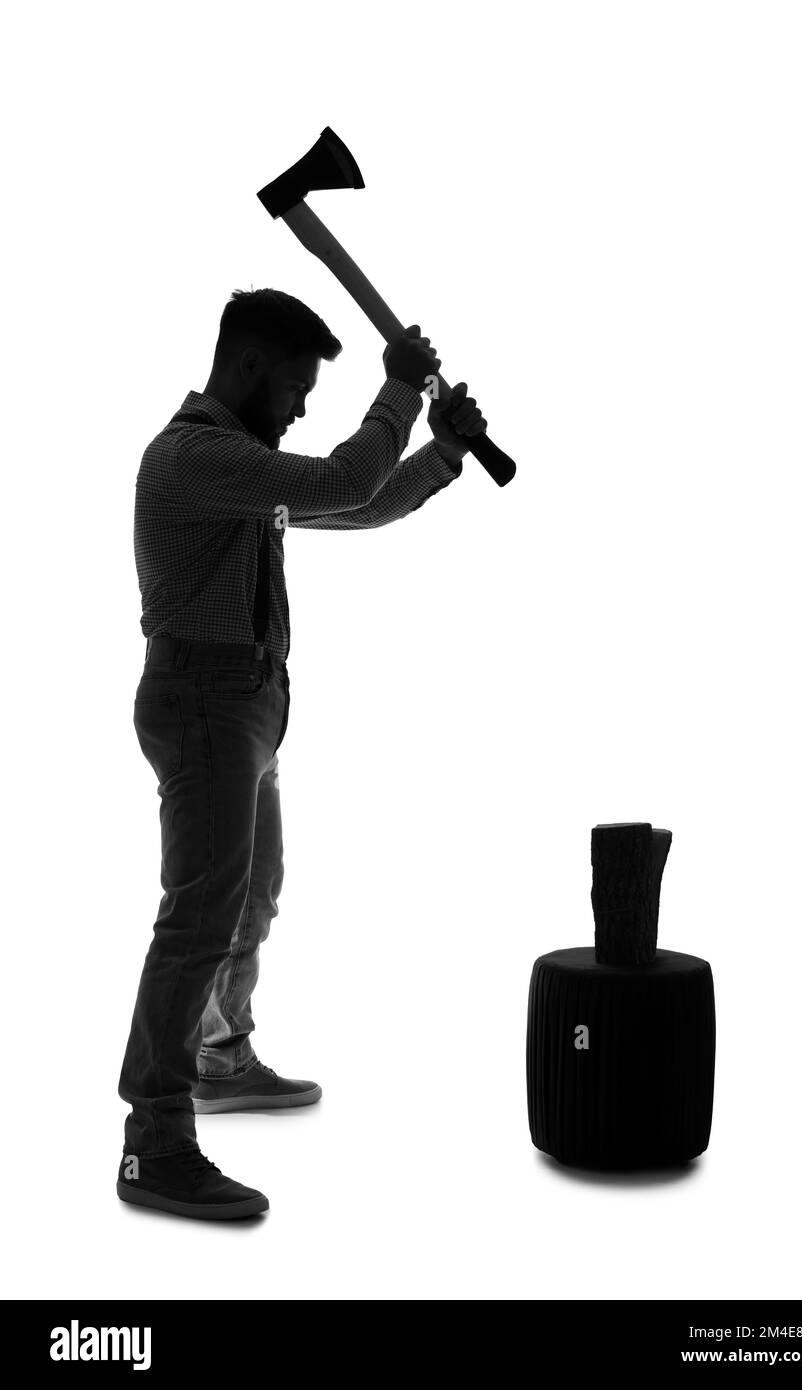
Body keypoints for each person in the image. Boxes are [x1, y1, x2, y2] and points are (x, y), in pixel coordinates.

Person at [117, 288, 486, 1220]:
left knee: (257, 888)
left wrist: (439, 450)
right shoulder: (191, 458)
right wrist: (399, 392)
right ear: (246, 368)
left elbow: (355, 506)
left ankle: (220, 1053)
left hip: (249, 707)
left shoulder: (244, 470)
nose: (300, 408)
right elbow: (342, 479)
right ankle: (152, 1145)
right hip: (204, 701)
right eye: (294, 387)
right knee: (199, 913)